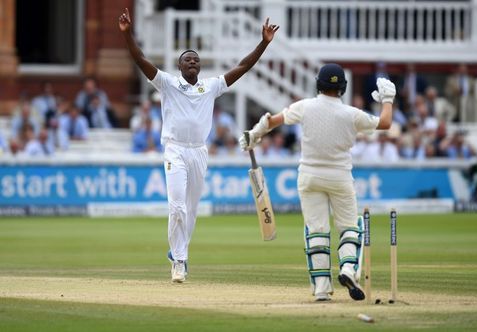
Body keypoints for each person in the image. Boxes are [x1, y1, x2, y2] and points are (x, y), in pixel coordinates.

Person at [119, 7, 279, 283]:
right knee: (177, 206)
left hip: (199, 152)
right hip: (174, 149)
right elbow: (140, 59)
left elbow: (242, 67)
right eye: (187, 60)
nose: (192, 62)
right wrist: (127, 34)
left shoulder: (211, 86)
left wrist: (263, 43)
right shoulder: (167, 83)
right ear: (180, 67)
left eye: (195, 60)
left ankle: (179, 252)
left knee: (191, 210)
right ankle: (179, 260)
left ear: (199, 66)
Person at [239, 63, 396, 302]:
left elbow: (272, 121)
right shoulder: (352, 114)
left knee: (317, 231)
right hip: (340, 177)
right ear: (342, 87)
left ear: (318, 84)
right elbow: (385, 123)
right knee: (349, 227)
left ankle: (322, 289)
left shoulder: (305, 106)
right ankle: (347, 269)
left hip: (309, 176)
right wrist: (387, 99)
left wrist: (254, 134)